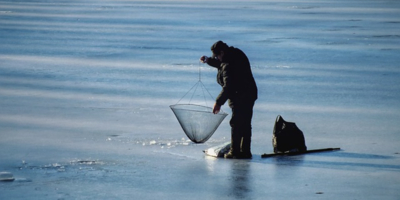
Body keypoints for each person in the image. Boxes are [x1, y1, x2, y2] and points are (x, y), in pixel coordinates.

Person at [200, 41, 258, 159]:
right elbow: (221, 63)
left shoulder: (228, 64)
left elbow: (228, 87)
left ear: (222, 52)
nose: (217, 58)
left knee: (236, 123)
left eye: (217, 56)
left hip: (240, 95)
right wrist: (208, 60)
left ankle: (235, 151)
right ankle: (245, 151)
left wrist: (218, 102)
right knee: (245, 122)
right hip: (249, 93)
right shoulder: (234, 54)